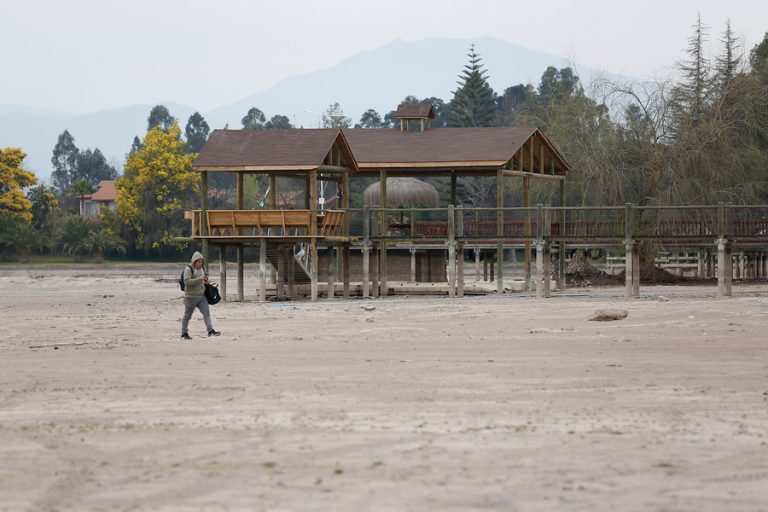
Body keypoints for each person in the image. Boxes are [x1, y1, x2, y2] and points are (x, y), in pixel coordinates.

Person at [181, 251, 221, 340]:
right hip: (190, 297)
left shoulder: (202, 269)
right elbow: (186, 282)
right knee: (187, 316)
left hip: (201, 296)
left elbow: (204, 279)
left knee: (207, 313)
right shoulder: (188, 269)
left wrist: (208, 281)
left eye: (201, 261)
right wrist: (199, 279)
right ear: (194, 261)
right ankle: (184, 334)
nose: (200, 263)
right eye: (198, 261)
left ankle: (210, 331)